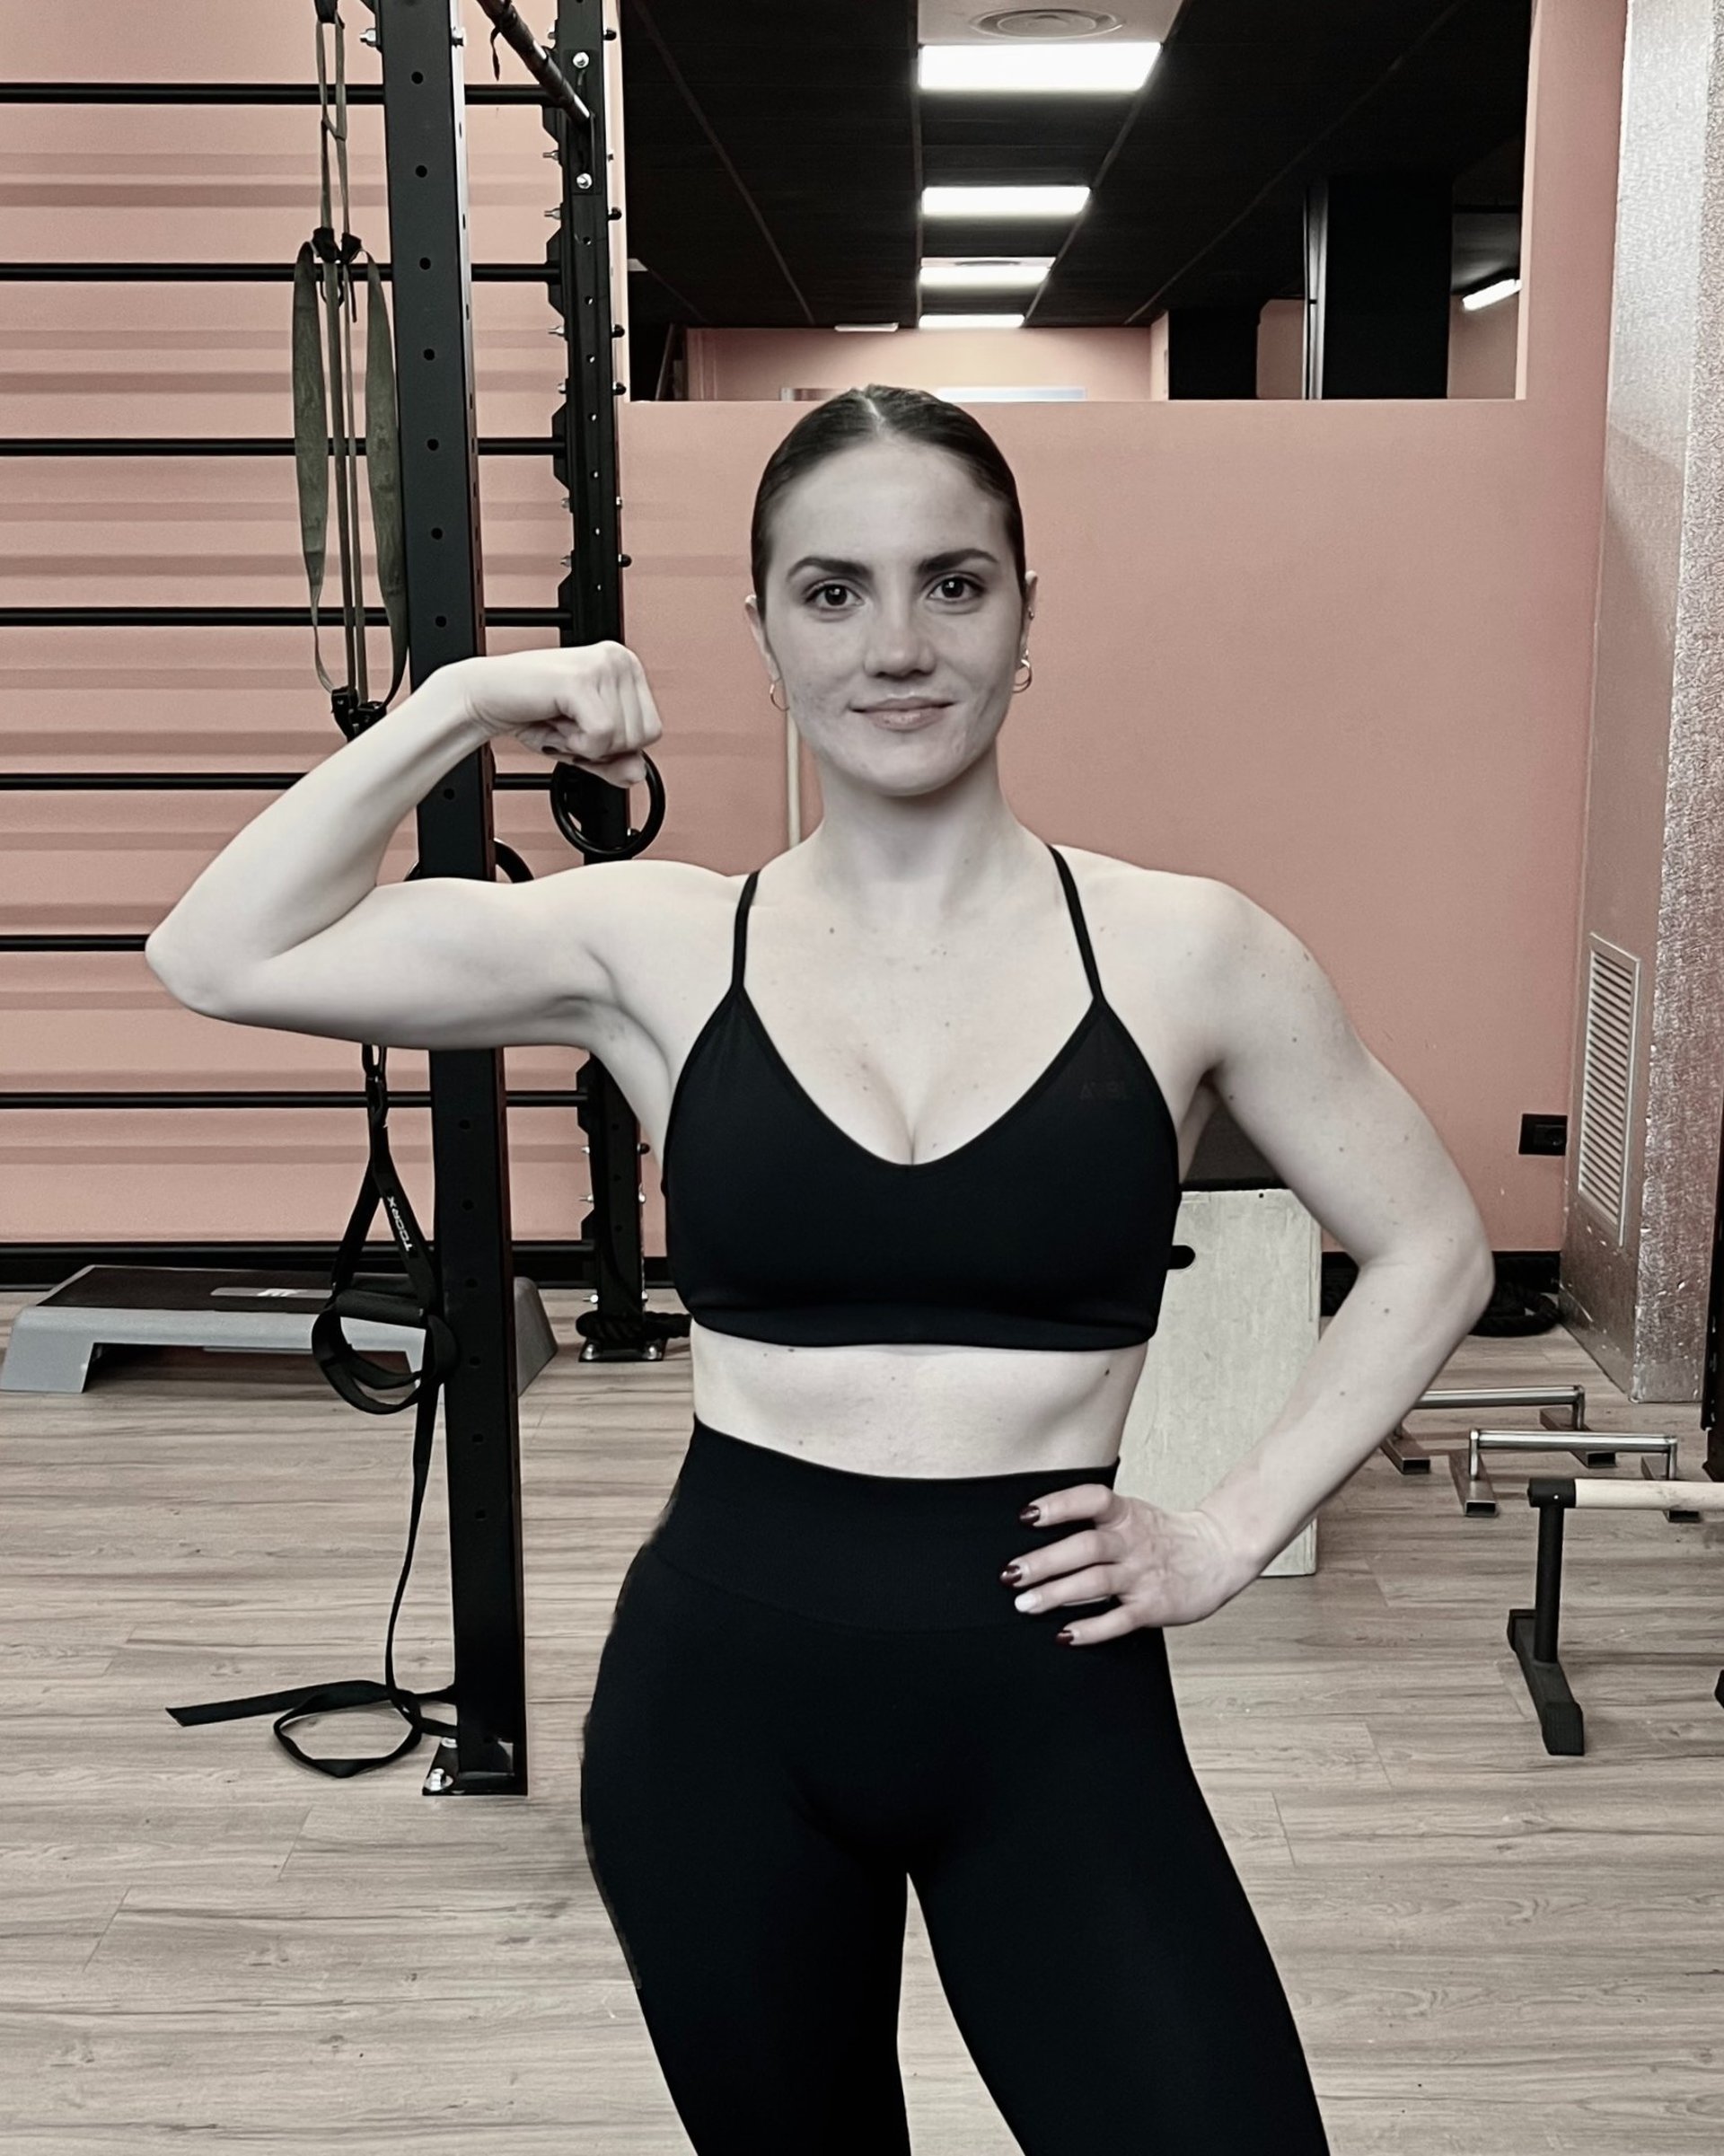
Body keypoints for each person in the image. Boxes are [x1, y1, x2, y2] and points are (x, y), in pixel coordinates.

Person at [147, 383, 1417, 2152]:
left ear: (1027, 615)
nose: (897, 644)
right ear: (763, 632)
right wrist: (463, 701)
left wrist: (1230, 1526)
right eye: (833, 592)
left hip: (1052, 1702)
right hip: (718, 1715)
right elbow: (217, 950)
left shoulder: (1189, 949)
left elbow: (1429, 1243)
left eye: (953, 583)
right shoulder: (659, 942)